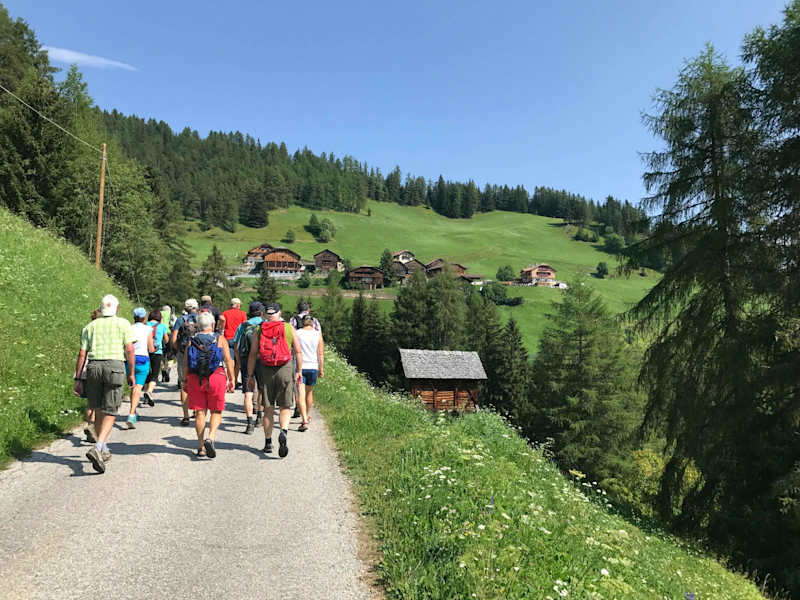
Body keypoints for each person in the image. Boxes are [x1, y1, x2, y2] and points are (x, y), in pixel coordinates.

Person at [72, 295, 136, 473]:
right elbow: (130, 349)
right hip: (114, 366)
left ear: (101, 309)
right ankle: (98, 446)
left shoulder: (90, 326)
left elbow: (82, 354)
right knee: (111, 410)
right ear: (116, 308)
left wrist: (78, 379)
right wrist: (131, 373)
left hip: (93, 367)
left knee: (98, 407)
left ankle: (104, 448)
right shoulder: (123, 324)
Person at [246, 303, 303, 458]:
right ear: (279, 314)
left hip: (265, 370)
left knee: (268, 408)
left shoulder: (259, 329)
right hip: (285, 368)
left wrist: (250, 375)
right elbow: (297, 351)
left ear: (265, 315)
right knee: (285, 406)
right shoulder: (288, 328)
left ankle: (268, 442)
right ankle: (283, 431)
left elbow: (252, 354)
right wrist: (298, 371)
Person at [182, 311, 235, 458]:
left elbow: (186, 363)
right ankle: (210, 437)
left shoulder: (192, 340)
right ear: (212, 324)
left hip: (195, 377)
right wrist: (232, 379)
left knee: (200, 412)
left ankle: (200, 447)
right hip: (216, 376)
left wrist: (184, 381)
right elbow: (228, 360)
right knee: (216, 411)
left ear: (198, 326)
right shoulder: (219, 339)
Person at [233, 301, 264, 434]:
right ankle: (259, 418)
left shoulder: (243, 325)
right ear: (261, 312)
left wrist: (239, 362)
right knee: (262, 390)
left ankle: (249, 422)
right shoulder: (264, 324)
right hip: (262, 360)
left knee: (248, 392)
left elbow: (236, 345)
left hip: (246, 360)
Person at [289, 300, 321, 418]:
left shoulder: (293, 320)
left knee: (297, 384)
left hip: (296, 356)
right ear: (308, 310)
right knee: (309, 391)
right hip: (312, 360)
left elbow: (289, 337)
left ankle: (298, 405)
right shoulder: (315, 321)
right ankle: (305, 414)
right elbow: (319, 339)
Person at [125, 308, 155, 429]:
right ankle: (131, 414)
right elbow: (151, 348)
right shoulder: (148, 329)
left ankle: (134, 411)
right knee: (138, 387)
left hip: (129, 359)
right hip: (143, 359)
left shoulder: (129, 328)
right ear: (144, 318)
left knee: (132, 387)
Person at [171, 298, 199, 426]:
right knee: (197, 382)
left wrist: (179, 351)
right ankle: (196, 411)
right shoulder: (202, 318)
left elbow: (173, 338)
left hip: (183, 353)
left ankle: (186, 416)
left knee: (184, 383)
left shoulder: (180, 319)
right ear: (196, 307)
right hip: (199, 353)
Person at [75, 308, 101, 443]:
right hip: (97, 366)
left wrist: (77, 376)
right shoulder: (103, 331)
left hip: (85, 368)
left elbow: (82, 353)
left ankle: (89, 425)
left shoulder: (87, 329)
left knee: (90, 401)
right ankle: (92, 425)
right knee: (99, 402)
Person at [295, 314, 324, 432]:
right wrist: (321, 369)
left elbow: (294, 350)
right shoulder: (318, 334)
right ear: (313, 323)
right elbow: (320, 354)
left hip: (300, 367)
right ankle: (307, 414)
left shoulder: (297, 333)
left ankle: (304, 420)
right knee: (309, 393)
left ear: (302, 322)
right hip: (313, 367)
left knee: (300, 394)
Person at [143, 309, 169, 405]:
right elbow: (166, 340)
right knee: (155, 374)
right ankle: (149, 392)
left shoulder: (145, 325)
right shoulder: (162, 326)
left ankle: (145, 396)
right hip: (157, 352)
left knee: (146, 372)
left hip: (145, 351)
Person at [221, 297, 247, 385]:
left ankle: (231, 380)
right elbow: (245, 327)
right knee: (237, 361)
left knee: (230, 360)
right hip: (238, 339)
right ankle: (235, 380)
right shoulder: (242, 314)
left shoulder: (225, 313)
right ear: (238, 305)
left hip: (227, 339)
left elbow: (222, 327)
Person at [160, 304, 174, 382]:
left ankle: (163, 373)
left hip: (160, 335)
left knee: (162, 355)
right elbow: (174, 325)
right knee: (170, 355)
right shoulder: (171, 314)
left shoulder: (159, 314)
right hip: (169, 335)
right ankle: (168, 369)